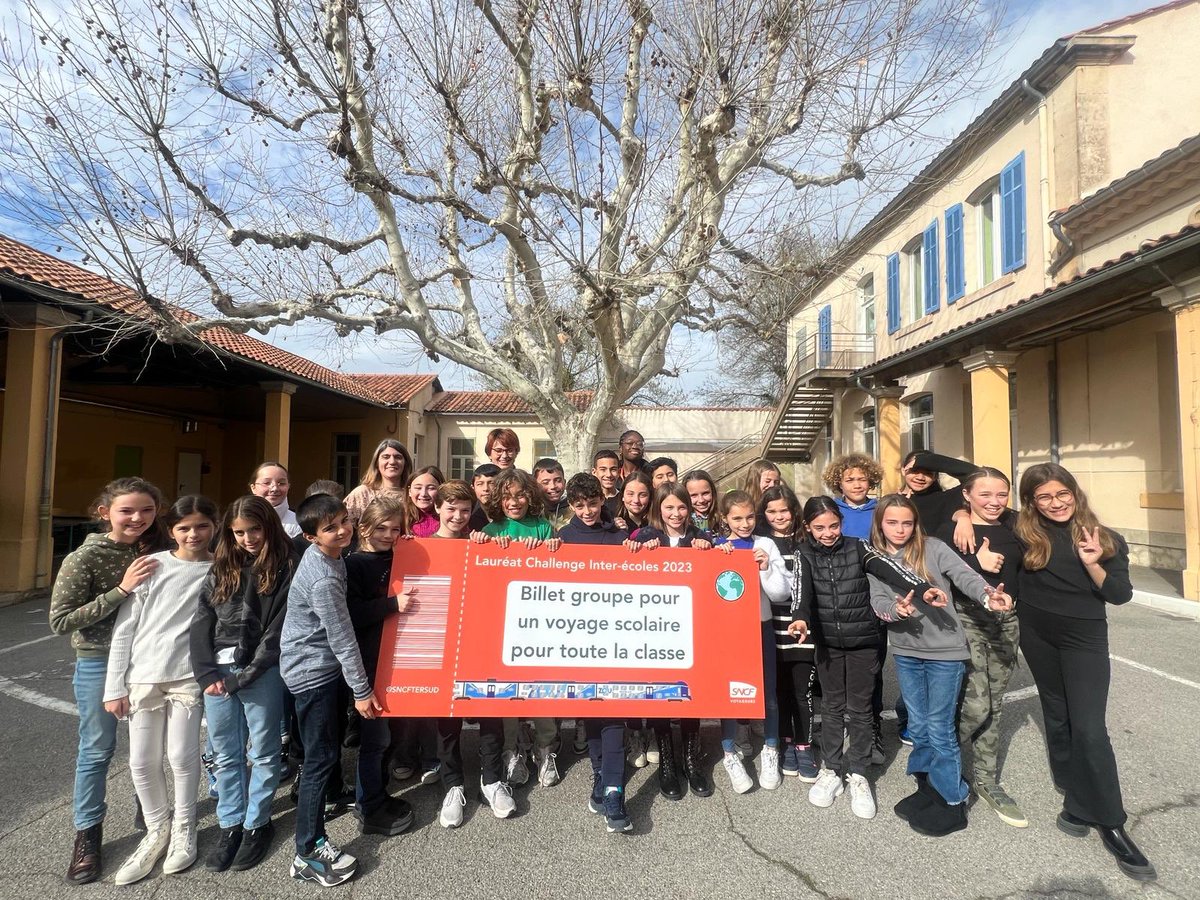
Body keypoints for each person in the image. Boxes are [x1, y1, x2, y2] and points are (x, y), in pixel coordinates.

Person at [1014, 463, 1155, 881]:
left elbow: (1120, 595)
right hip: (1035, 634)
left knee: (1090, 728)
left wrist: (1094, 563)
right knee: (1056, 713)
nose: (1055, 503)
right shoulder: (1023, 533)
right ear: (1031, 502)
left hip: (1084, 638)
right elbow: (971, 487)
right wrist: (963, 515)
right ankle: (1073, 794)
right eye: (1044, 497)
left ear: (1075, 493)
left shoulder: (1104, 538)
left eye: (1062, 494)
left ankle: (1111, 822)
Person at [867, 494, 1012, 837]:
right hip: (906, 652)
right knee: (917, 725)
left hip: (946, 651)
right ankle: (927, 786)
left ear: (916, 524)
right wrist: (896, 611)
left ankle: (953, 798)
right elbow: (878, 601)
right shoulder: (875, 560)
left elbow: (965, 576)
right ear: (880, 524)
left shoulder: (933, 548)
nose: (900, 529)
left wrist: (987, 595)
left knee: (939, 726)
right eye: (892, 522)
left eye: (907, 522)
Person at [282, 494, 405, 887]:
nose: (341, 531)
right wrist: (362, 691)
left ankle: (331, 800)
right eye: (330, 528)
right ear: (310, 536)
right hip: (313, 672)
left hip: (324, 667)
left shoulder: (334, 557)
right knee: (319, 760)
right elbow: (342, 637)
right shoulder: (324, 577)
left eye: (343, 521)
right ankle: (308, 850)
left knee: (327, 753)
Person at [784, 496, 932, 821]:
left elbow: (891, 569)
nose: (828, 533)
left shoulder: (858, 546)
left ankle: (859, 774)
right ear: (808, 527)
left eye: (833, 525)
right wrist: (799, 619)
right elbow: (801, 594)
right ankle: (832, 770)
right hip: (827, 645)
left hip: (864, 641)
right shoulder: (803, 553)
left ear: (841, 523)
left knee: (862, 710)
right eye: (820, 527)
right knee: (832, 707)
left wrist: (922, 589)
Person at [51, 477, 168, 884]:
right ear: (105, 513)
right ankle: (87, 834)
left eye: (147, 510)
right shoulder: (83, 558)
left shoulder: (157, 548)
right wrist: (121, 590)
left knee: (150, 745)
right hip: (99, 662)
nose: (138, 518)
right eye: (126, 510)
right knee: (97, 750)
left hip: (148, 660)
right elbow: (61, 620)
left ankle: (151, 813)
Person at [103, 495, 217, 884]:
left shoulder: (221, 569)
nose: (193, 534)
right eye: (184, 527)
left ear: (214, 527)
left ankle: (184, 828)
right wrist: (114, 685)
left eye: (202, 526)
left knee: (181, 756)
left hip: (187, 677)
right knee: (141, 761)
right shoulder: (152, 566)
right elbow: (125, 628)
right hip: (143, 676)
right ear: (171, 530)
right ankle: (155, 831)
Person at [191, 495, 295, 873]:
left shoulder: (285, 565)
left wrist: (243, 677)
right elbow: (202, 620)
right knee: (226, 753)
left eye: (255, 530)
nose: (248, 539)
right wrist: (206, 673)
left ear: (269, 526)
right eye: (239, 532)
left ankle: (257, 822)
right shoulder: (223, 567)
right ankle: (231, 822)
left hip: (260, 671)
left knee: (264, 751)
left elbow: (277, 631)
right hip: (218, 675)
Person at [934, 467, 1026, 828]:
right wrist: (975, 560)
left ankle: (986, 780)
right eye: (984, 494)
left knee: (995, 705)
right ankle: (937, 762)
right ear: (966, 495)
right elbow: (932, 568)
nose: (994, 501)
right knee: (977, 703)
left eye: (1001, 494)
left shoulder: (1017, 526)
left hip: (1007, 622)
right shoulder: (950, 531)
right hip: (967, 619)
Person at [556, 473, 642, 833]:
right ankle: (598, 774)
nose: (587, 511)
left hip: (616, 642)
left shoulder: (619, 537)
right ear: (571, 505)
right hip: (578, 642)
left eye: (593, 503)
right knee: (591, 714)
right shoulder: (562, 538)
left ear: (602, 500)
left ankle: (613, 791)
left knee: (614, 716)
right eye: (580, 505)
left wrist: (642, 546)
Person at [427, 481, 514, 826]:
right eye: (451, 509)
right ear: (437, 508)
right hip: (441, 641)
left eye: (465, 510)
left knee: (490, 710)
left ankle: (492, 781)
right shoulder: (420, 546)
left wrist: (495, 547)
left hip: (481, 640)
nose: (458, 516)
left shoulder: (481, 542)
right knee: (447, 719)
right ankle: (453, 786)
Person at [471, 468, 562, 789]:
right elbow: (479, 573)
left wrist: (554, 548)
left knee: (541, 687)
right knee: (508, 690)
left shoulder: (543, 527)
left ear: (530, 497)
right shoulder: (490, 530)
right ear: (498, 499)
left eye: (520, 495)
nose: (514, 502)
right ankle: (512, 750)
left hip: (539, 624)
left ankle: (545, 747)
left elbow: (561, 571)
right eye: (507, 497)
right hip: (502, 625)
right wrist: (480, 542)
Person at [633, 483, 715, 799]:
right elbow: (626, 569)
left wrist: (713, 550)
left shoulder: (700, 538)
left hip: (693, 629)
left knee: (691, 693)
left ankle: (692, 760)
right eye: (669, 507)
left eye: (681, 507)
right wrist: (640, 551)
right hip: (655, 631)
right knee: (660, 695)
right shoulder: (645, 536)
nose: (676, 513)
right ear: (659, 509)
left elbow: (719, 567)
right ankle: (667, 762)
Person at [343, 496, 418, 837]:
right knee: (374, 739)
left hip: (398, 658)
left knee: (390, 736)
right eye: (381, 529)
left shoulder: (400, 554)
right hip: (370, 662)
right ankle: (368, 806)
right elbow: (352, 614)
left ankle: (378, 793)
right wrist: (391, 604)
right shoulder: (354, 564)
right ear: (364, 528)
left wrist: (412, 547)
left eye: (395, 529)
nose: (389, 535)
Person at [713, 491, 791, 794]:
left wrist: (765, 568)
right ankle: (729, 752)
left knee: (768, 692)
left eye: (749, 517)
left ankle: (771, 749)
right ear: (725, 519)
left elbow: (780, 594)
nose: (744, 524)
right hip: (728, 631)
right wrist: (713, 554)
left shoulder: (765, 544)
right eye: (737, 518)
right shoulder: (718, 547)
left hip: (761, 625)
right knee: (728, 693)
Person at [757, 485, 819, 782]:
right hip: (773, 626)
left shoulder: (807, 540)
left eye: (784, 510)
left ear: (794, 510)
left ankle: (805, 745)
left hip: (802, 627)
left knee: (801, 691)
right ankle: (786, 743)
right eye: (772, 511)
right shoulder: (760, 541)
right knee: (778, 692)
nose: (779, 516)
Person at [344, 439, 413, 529]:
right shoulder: (362, 494)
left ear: (405, 463)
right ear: (376, 463)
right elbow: (343, 528)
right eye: (386, 457)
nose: (392, 462)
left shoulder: (413, 495)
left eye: (398, 457)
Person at [823, 453, 882, 541]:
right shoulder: (832, 510)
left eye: (862, 480)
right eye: (849, 481)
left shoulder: (880, 510)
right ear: (840, 484)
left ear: (870, 482)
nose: (857, 486)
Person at [249, 461, 301, 538]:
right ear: (253, 488)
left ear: (288, 486)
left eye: (281, 483)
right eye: (266, 483)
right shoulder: (241, 519)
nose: (275, 488)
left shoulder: (299, 523)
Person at [405, 465, 443, 537]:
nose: (423, 494)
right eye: (418, 488)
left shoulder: (448, 518)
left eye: (431, 488)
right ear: (409, 491)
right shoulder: (400, 517)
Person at [533, 457, 571, 530]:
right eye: (545, 482)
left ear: (564, 482)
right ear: (535, 485)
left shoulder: (574, 510)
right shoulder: (532, 511)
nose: (553, 486)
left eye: (558, 480)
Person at [682, 469, 721, 534]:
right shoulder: (682, 522)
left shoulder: (724, 518)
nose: (701, 500)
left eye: (705, 493)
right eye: (694, 495)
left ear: (712, 492)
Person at [467, 463, 501, 532]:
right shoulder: (468, 514)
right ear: (473, 488)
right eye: (480, 484)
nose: (486, 488)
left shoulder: (511, 513)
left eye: (492, 483)